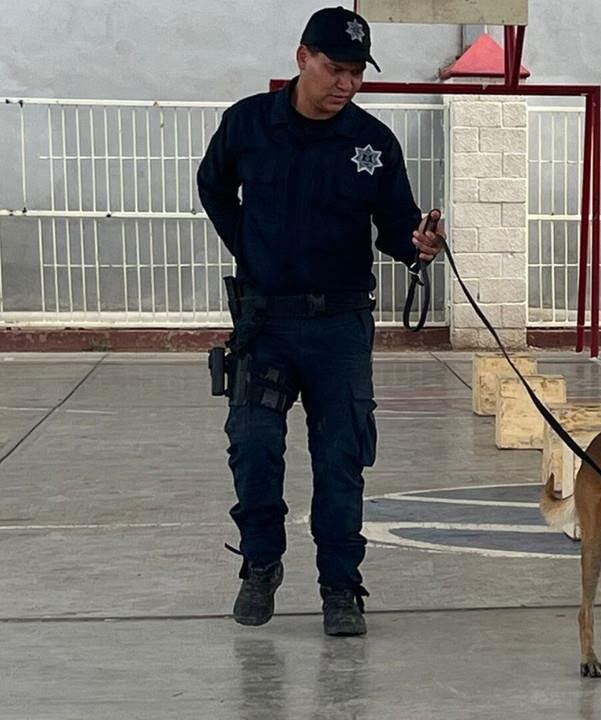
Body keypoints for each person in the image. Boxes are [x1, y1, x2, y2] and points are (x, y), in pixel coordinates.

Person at [197, 5, 444, 636]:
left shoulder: (372, 143)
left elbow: (395, 225)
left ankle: (340, 588)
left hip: (339, 327)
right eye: (335, 68)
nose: (346, 84)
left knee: (340, 459)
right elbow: (213, 186)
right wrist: (246, 249)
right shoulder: (249, 124)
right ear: (302, 58)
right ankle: (261, 565)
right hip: (266, 324)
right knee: (253, 447)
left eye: (357, 73)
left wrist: (416, 243)